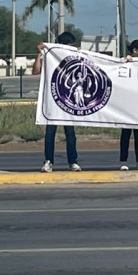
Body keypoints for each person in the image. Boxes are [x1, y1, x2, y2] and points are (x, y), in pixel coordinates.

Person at [34, 31, 82, 172]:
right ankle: (48, 161)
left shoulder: (75, 57)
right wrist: (40, 54)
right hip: (53, 100)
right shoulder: (50, 56)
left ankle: (72, 161)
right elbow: (36, 71)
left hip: (68, 100)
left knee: (70, 134)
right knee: (50, 133)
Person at [119, 39, 138, 170]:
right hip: (126, 104)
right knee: (125, 134)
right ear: (135, 50)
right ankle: (123, 161)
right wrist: (125, 60)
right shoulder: (127, 61)